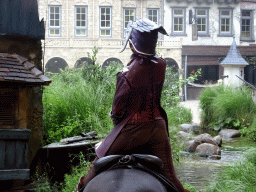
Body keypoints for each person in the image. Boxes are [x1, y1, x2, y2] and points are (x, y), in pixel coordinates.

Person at [77, 18, 188, 192]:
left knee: (98, 161)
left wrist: (118, 127)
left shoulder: (126, 74)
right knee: (170, 176)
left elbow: (117, 111)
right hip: (158, 127)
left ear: (131, 44)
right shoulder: (162, 64)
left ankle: (79, 189)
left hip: (133, 129)